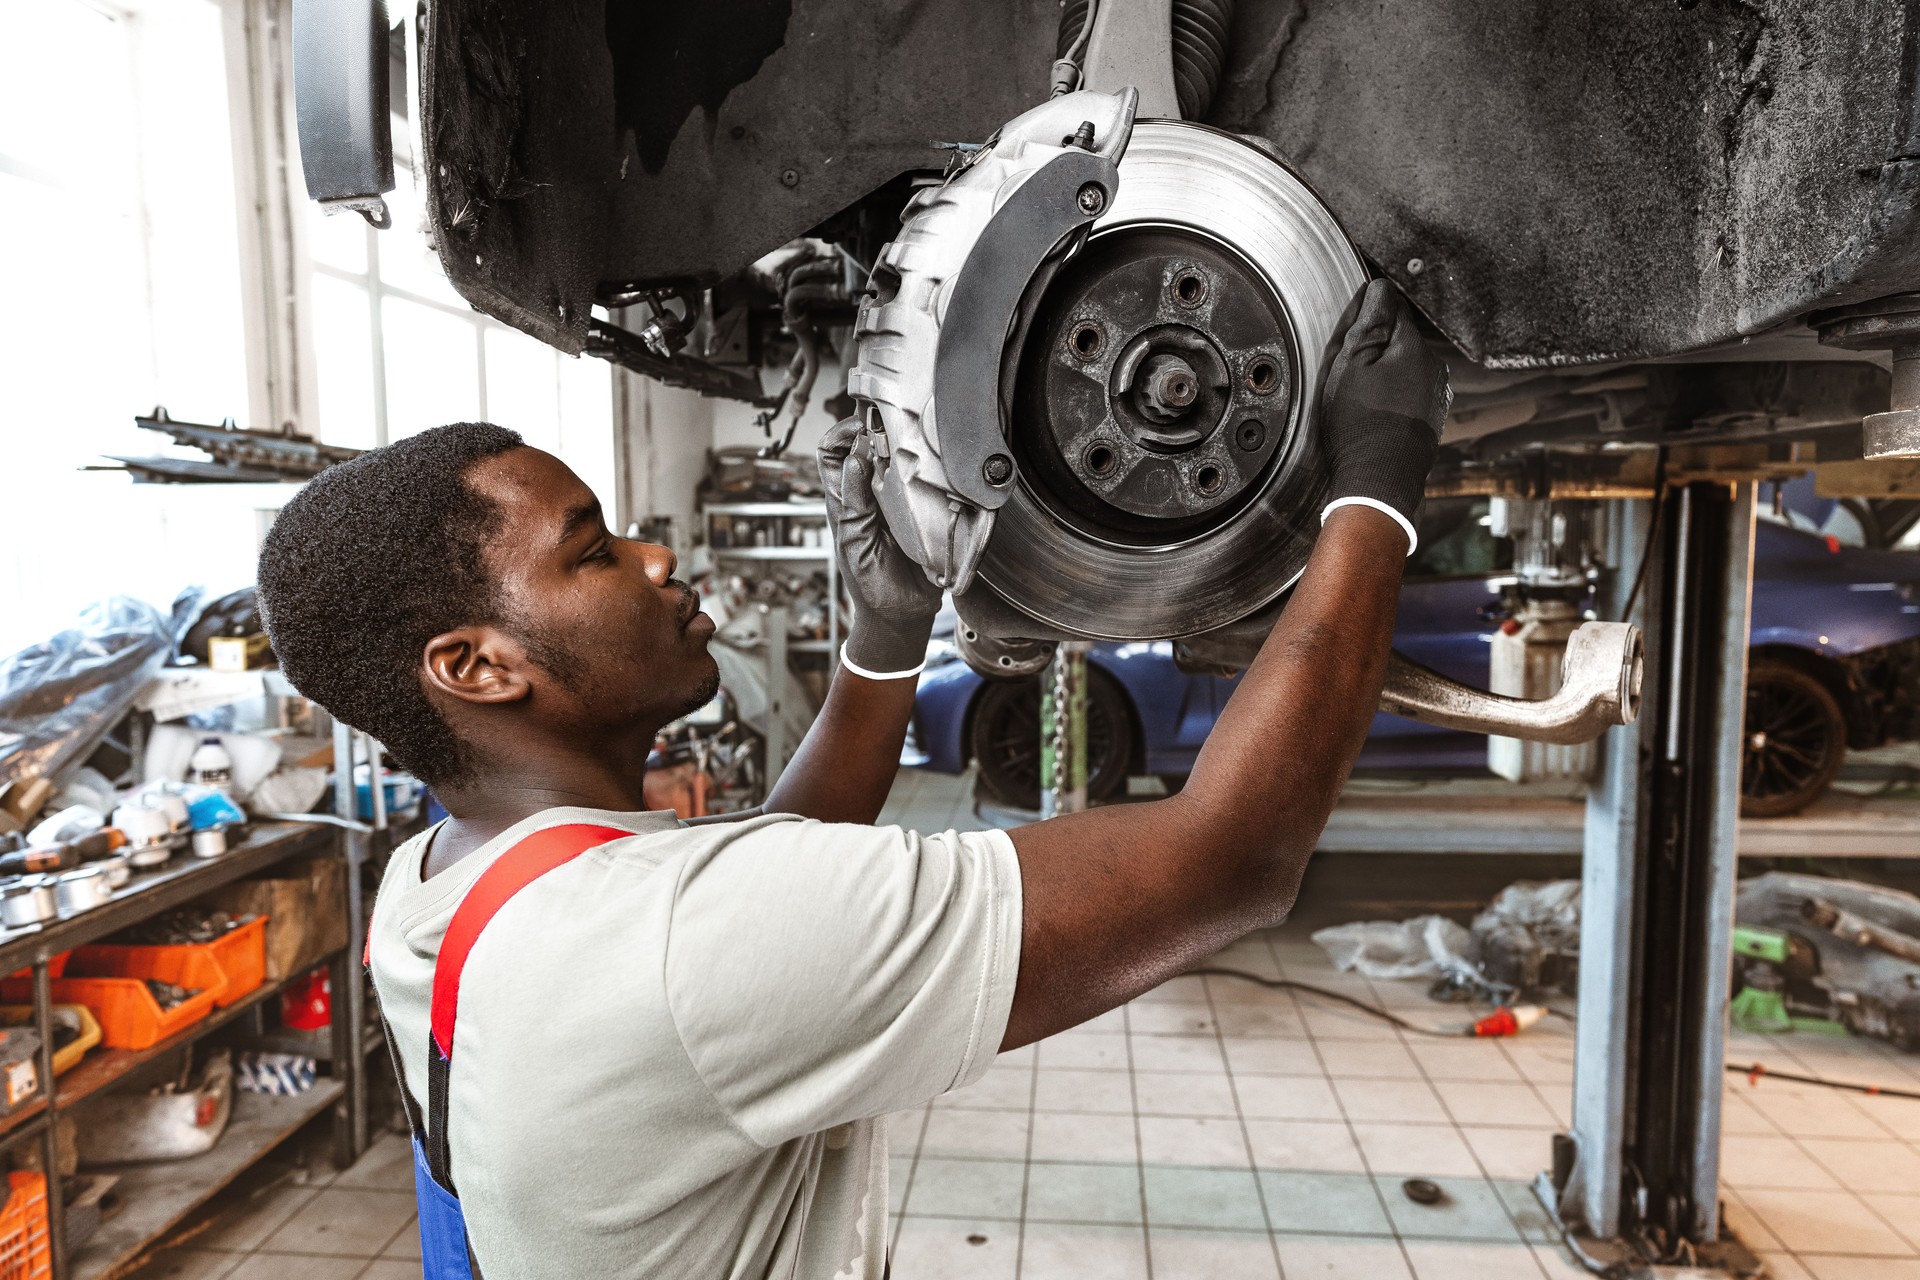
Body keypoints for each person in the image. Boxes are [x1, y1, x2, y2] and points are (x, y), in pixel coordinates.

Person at [254, 278, 1448, 1279]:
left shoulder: (442, 880)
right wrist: (1372, 492)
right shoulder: (676, 940)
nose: (656, 552)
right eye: (593, 549)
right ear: (478, 666)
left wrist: (884, 628)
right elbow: (1228, 859)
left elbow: (758, 898)